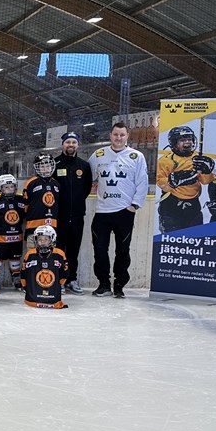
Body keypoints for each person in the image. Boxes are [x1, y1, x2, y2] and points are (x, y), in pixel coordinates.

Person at [88, 121, 149, 298]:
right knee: (100, 250)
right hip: (102, 212)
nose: (119, 138)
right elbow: (86, 175)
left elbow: (142, 182)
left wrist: (134, 205)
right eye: (115, 134)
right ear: (110, 135)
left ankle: (119, 285)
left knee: (123, 251)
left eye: (122, 135)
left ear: (127, 136)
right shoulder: (98, 154)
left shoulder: (136, 157)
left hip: (124, 212)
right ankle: (104, 284)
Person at [156, 125, 216, 233]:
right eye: (183, 140)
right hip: (171, 204)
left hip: (193, 204)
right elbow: (160, 182)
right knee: (171, 237)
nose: (187, 142)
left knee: (195, 237)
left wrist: (207, 171)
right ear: (174, 143)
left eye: (189, 139)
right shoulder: (165, 161)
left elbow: (205, 181)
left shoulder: (198, 159)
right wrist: (172, 181)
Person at [54, 132, 93, 294]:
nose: (71, 145)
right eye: (68, 142)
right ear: (63, 144)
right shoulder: (55, 164)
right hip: (59, 216)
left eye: (74, 142)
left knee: (73, 249)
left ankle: (71, 279)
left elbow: (86, 188)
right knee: (58, 249)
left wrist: (76, 204)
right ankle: (59, 279)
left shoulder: (84, 166)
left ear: (77, 145)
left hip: (77, 216)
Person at [0, 174, 27, 289]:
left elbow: (24, 217)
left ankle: (16, 277)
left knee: (15, 258)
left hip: (16, 237)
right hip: (0, 237)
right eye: (6, 187)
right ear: (0, 188)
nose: (9, 189)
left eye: (12, 187)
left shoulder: (21, 200)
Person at [20, 225, 68, 309]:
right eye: (40, 239)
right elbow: (24, 273)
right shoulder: (30, 254)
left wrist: (60, 284)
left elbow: (65, 272)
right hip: (32, 300)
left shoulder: (59, 254)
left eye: (46, 239)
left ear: (52, 239)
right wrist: (25, 286)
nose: (42, 242)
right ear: (36, 240)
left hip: (53, 298)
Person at [23, 153, 60, 250]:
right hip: (33, 226)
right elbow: (25, 205)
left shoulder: (56, 184)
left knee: (50, 255)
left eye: (48, 166)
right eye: (42, 166)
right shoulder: (31, 183)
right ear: (37, 167)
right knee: (32, 254)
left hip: (51, 227)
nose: (45, 169)